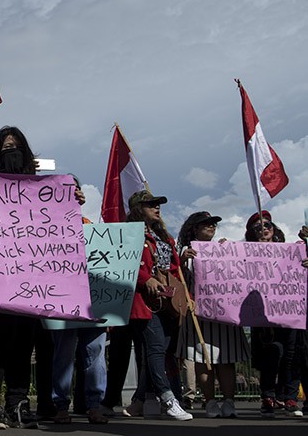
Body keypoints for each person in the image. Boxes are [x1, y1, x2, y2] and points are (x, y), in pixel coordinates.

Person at [0, 126, 42, 430]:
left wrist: (70, 200)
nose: (10, 152)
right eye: (5, 148)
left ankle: (18, 402)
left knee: (24, 343)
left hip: (32, 279)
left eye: (15, 147)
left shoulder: (42, 190)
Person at [122, 191, 193, 421]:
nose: (156, 207)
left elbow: (174, 270)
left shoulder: (164, 237)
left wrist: (186, 294)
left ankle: (140, 401)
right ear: (137, 208)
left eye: (157, 204)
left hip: (168, 302)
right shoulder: (129, 234)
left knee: (162, 351)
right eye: (150, 204)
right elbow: (126, 262)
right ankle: (168, 398)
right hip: (145, 301)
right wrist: (145, 279)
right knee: (155, 349)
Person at [176, 211, 250, 418]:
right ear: (195, 228)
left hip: (225, 313)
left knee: (227, 359)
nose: (211, 227)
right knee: (203, 359)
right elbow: (176, 277)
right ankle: (209, 402)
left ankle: (229, 401)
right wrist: (181, 261)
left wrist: (231, 252)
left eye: (213, 224)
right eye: (205, 224)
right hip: (200, 315)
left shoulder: (223, 248)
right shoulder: (186, 251)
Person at [49, 179, 109, 425]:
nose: (72, 193)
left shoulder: (90, 227)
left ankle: (94, 405)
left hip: (94, 302)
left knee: (95, 354)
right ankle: (61, 405)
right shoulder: (48, 227)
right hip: (62, 302)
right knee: (63, 355)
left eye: (75, 189)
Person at [247, 210, 308, 418]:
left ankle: (289, 397)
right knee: (271, 354)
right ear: (251, 233)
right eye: (258, 228)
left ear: (274, 230)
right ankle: (268, 396)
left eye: (267, 226)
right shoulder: (245, 253)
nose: (264, 229)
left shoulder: (290, 251)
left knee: (292, 355)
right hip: (262, 315)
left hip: (289, 312)